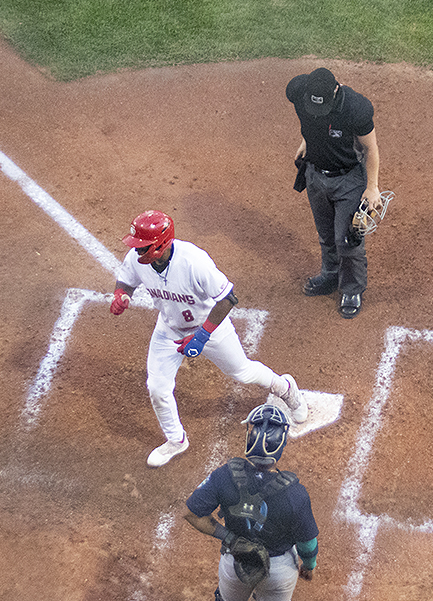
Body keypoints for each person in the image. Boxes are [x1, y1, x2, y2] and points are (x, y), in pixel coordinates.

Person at [110, 210, 308, 468]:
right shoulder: (137, 259)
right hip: (169, 329)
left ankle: (286, 389)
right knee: (158, 388)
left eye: (142, 246)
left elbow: (228, 299)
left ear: (160, 244)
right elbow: (125, 281)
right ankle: (176, 440)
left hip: (209, 327)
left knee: (242, 372)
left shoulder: (194, 262)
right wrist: (121, 295)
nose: (137, 251)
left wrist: (202, 336)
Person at [184, 404, 318, 601]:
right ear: (281, 445)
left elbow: (192, 513)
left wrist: (229, 537)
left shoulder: (224, 476)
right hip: (278, 570)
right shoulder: (295, 494)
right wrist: (309, 565)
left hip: (235, 560)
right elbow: (307, 543)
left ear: (249, 439)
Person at [286, 66, 384, 319]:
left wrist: (372, 187)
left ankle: (352, 289)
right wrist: (308, 141)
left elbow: (370, 149)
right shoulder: (297, 91)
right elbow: (311, 122)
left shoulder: (355, 108)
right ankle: (330, 276)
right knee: (326, 234)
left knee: (347, 239)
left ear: (336, 90)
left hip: (348, 179)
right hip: (315, 176)